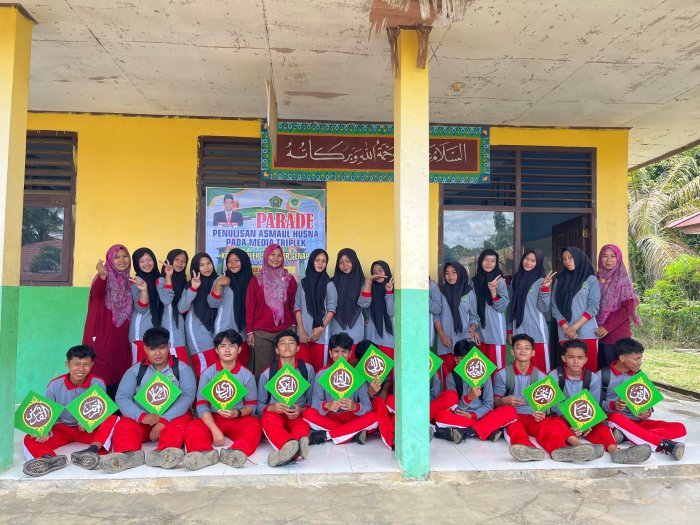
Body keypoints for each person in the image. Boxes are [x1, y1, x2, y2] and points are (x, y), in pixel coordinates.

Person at [101, 327, 196, 473]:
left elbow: (187, 396)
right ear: (145, 349)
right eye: (152, 349)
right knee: (125, 424)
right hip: (144, 421)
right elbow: (122, 397)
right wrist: (142, 416)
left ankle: (165, 454)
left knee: (180, 423)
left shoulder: (182, 369)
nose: (157, 353)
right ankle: (128, 455)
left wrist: (164, 420)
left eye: (162, 348)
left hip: (172, 419)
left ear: (169, 346)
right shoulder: (135, 371)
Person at [495, 334, 601, 463]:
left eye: (527, 348)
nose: (523, 351)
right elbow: (494, 403)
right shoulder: (502, 374)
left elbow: (545, 404)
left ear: (533, 352)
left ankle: (561, 450)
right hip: (512, 415)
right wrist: (504, 401)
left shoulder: (541, 376)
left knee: (548, 428)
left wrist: (542, 412)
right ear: (512, 351)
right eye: (518, 347)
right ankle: (528, 449)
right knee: (515, 429)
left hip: (533, 415)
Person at [22, 345, 119, 477]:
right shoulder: (54, 385)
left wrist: (92, 421)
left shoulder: (98, 383)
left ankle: (91, 451)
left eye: (86, 364)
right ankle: (48, 459)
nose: (81, 369)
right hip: (62, 429)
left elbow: (101, 410)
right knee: (31, 437)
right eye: (76, 364)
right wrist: (45, 430)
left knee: (113, 419)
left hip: (86, 430)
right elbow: (46, 413)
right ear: (68, 364)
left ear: (92, 365)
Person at [550, 340, 651, 464]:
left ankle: (615, 451)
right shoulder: (554, 376)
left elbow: (594, 406)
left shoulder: (593, 378)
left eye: (580, 358)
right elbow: (555, 407)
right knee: (554, 423)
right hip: (563, 417)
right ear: (563, 358)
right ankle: (578, 447)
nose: (576, 361)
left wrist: (585, 425)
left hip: (584, 418)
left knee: (600, 426)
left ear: (585, 360)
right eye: (571, 357)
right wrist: (572, 422)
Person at [183, 329, 261, 470]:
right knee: (193, 427)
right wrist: (214, 430)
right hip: (213, 417)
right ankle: (203, 453)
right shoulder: (208, 374)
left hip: (237, 418)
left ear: (239, 349)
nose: (227, 350)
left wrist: (237, 413)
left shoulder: (246, 375)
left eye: (232, 346)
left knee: (255, 425)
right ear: (217, 350)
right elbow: (201, 405)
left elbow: (251, 406)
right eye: (223, 346)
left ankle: (236, 453)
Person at [601, 337, 686, 460]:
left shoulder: (640, 376)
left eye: (640, 358)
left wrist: (647, 412)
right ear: (622, 358)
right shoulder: (603, 376)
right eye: (636, 359)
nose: (640, 362)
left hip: (636, 422)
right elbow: (595, 406)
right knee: (616, 417)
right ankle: (664, 445)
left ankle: (625, 436)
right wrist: (613, 405)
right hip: (613, 421)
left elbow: (648, 405)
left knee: (679, 428)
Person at [433, 339, 518, 443]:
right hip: (460, 416)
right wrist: (468, 398)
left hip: (481, 415)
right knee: (441, 416)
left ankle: (467, 431)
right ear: (456, 360)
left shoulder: (484, 375)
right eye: (462, 359)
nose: (466, 363)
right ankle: (485, 430)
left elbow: (489, 405)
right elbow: (453, 408)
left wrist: (473, 415)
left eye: (469, 359)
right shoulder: (452, 377)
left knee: (510, 410)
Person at [303, 332, 378, 445]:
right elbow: (315, 403)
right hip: (330, 417)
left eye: (344, 352)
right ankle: (353, 434)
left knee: (373, 417)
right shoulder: (322, 374)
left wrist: (354, 406)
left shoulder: (358, 375)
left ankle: (327, 436)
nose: (340, 355)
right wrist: (327, 405)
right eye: (336, 351)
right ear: (330, 353)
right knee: (308, 414)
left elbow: (367, 406)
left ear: (350, 353)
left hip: (352, 416)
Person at [257, 329, 316, 467]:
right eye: (283, 343)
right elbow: (259, 406)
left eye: (291, 342)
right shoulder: (267, 373)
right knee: (268, 419)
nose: (287, 346)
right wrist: (272, 408)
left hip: (297, 413)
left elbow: (312, 400)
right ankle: (291, 447)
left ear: (298, 348)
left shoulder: (307, 370)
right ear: (277, 350)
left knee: (302, 424)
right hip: (275, 414)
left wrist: (301, 410)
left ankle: (298, 443)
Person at [82, 244, 133, 400]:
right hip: (102, 335)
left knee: (121, 373)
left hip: (121, 338)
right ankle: (98, 410)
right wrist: (103, 276)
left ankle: (117, 412)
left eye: (125, 256)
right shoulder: (102, 278)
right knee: (101, 374)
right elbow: (97, 295)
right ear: (110, 260)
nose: (122, 260)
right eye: (117, 257)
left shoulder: (128, 283)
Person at [245, 244, 298, 379]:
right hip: (262, 332)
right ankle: (263, 394)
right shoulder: (256, 280)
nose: (276, 258)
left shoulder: (289, 279)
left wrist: (293, 326)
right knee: (264, 372)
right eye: (272, 254)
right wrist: (250, 332)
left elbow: (293, 304)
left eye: (279, 255)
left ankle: (284, 394)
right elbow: (250, 307)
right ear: (266, 256)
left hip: (284, 331)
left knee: (284, 371)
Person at [552, 247, 601, 372]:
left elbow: (593, 306)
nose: (567, 261)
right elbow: (554, 306)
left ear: (578, 257)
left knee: (588, 372)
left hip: (587, 333)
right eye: (564, 259)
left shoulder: (590, 279)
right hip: (565, 333)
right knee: (569, 372)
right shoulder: (559, 280)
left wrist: (574, 327)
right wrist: (565, 327)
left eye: (570, 257)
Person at [508, 249, 555, 372]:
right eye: (527, 259)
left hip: (537, 334)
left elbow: (544, 307)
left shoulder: (541, 280)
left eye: (533, 261)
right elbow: (512, 308)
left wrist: (545, 288)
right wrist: (510, 330)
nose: (528, 263)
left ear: (538, 263)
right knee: (522, 371)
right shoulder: (516, 280)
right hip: (518, 332)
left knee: (541, 372)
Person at [595, 244, 641, 369]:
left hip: (616, 335)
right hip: (598, 333)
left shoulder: (623, 280)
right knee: (603, 372)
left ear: (618, 258)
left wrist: (607, 327)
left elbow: (627, 309)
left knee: (620, 371)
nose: (608, 260)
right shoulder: (597, 278)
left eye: (613, 256)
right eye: (605, 256)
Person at [294, 249, 337, 371]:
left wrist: (321, 328)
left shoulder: (329, 284)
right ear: (312, 261)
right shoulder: (303, 283)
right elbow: (297, 307)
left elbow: (332, 309)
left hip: (321, 336)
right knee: (302, 372)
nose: (320, 263)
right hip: (303, 336)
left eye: (324, 261)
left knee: (319, 371)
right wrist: (301, 331)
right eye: (317, 260)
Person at [211, 248, 254, 369]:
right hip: (224, 331)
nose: (233, 264)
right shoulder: (222, 279)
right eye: (229, 261)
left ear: (244, 261)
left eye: (237, 260)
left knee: (241, 368)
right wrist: (219, 285)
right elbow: (212, 303)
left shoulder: (252, 281)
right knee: (224, 370)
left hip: (244, 333)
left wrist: (251, 331)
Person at [178, 253, 220, 377]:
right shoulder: (191, 284)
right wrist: (194, 288)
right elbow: (181, 308)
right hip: (197, 330)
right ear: (196, 268)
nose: (206, 267)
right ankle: (203, 390)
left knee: (218, 368)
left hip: (216, 330)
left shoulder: (218, 282)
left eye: (208, 263)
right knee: (205, 368)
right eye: (201, 265)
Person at [434, 261, 478, 373]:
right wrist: (442, 335)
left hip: (465, 341)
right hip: (446, 341)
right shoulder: (441, 291)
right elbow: (437, 316)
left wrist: (473, 328)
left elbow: (474, 316)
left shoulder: (468, 292)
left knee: (467, 376)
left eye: (454, 272)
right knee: (447, 377)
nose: (450, 276)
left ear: (460, 273)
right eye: (447, 273)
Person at [471, 249, 510, 369]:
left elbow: (502, 307)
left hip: (495, 332)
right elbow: (472, 307)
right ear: (480, 261)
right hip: (480, 332)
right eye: (486, 260)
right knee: (481, 370)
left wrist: (493, 292)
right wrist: (474, 329)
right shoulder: (474, 282)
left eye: (493, 261)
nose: (489, 263)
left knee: (497, 370)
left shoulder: (500, 281)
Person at [129, 247, 163, 364]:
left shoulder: (158, 279)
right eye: (142, 261)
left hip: (155, 332)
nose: (146, 264)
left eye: (149, 260)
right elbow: (141, 308)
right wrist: (144, 290)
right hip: (140, 333)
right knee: (140, 367)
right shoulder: (136, 282)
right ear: (136, 264)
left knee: (154, 369)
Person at [329, 248, 366, 353]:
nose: (344, 265)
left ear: (354, 262)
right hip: (336, 322)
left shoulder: (363, 282)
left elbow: (365, 304)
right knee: (337, 353)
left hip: (356, 323)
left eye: (348, 261)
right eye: (341, 262)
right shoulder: (332, 282)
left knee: (354, 353)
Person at [158, 249, 191, 364]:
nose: (180, 263)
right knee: (176, 366)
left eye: (183, 261)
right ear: (170, 260)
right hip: (169, 331)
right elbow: (166, 300)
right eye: (177, 259)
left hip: (180, 329)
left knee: (181, 367)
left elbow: (183, 307)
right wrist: (168, 276)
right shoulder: (161, 280)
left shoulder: (183, 281)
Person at [358, 260, 395, 358]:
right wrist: (369, 281)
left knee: (389, 362)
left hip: (389, 334)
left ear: (386, 271)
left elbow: (391, 312)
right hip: (372, 331)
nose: (378, 274)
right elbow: (363, 304)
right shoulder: (368, 286)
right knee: (372, 361)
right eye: (374, 272)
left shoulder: (395, 288)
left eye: (381, 270)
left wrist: (389, 292)